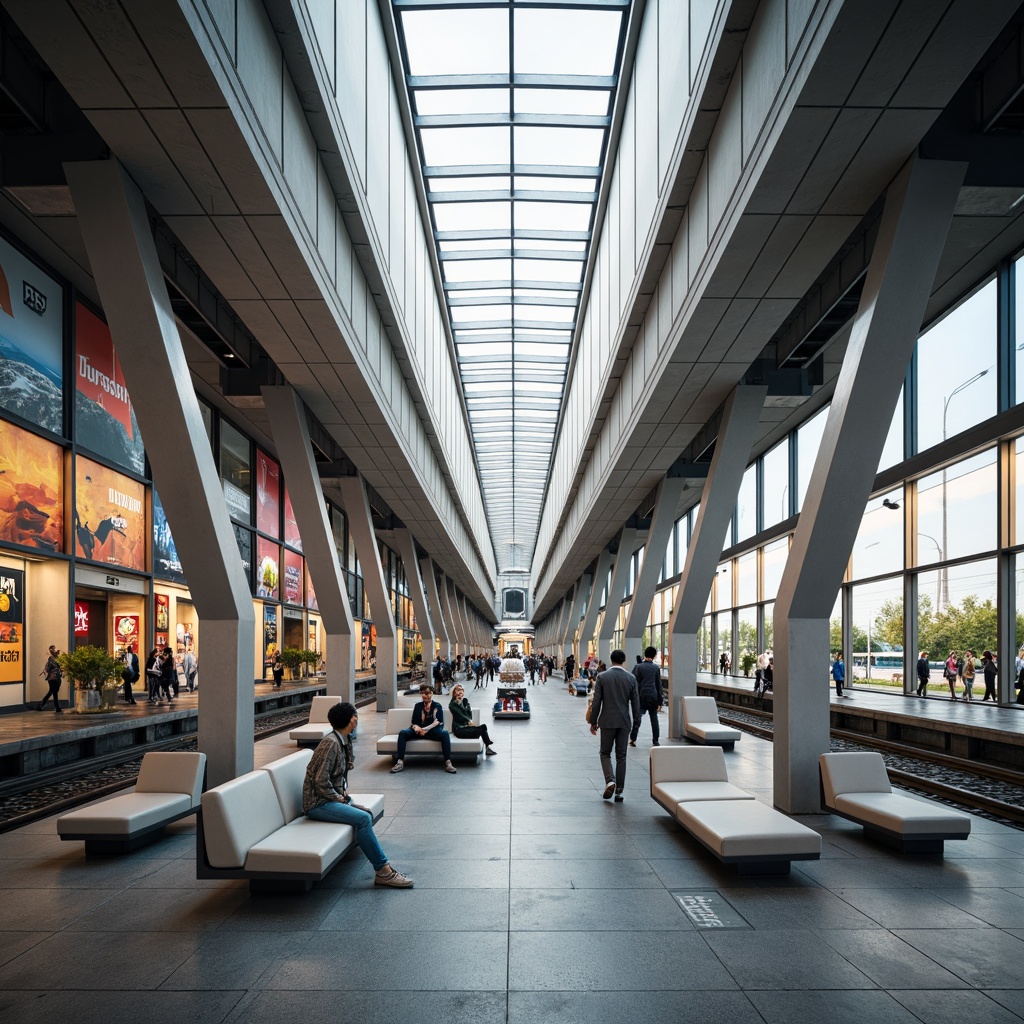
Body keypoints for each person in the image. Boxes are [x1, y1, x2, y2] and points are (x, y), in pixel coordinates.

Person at [303, 701, 413, 888]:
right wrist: (337, 798)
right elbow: (320, 781)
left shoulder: (340, 740)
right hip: (318, 803)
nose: (357, 720)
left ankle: (370, 851)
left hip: (328, 798)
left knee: (366, 814)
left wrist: (343, 797)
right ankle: (383, 871)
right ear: (350, 720)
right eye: (355, 717)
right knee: (362, 818)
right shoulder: (330, 744)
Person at [589, 649, 640, 802]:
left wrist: (593, 721)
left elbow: (596, 701)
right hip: (624, 721)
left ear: (611, 660)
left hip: (607, 721)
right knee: (621, 756)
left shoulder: (602, 677)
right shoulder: (631, 678)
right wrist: (636, 722)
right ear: (624, 660)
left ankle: (610, 780)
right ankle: (619, 791)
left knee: (605, 753)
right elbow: (636, 703)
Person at [390, 683, 457, 774]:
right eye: (424, 693)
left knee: (445, 734)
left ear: (432, 694)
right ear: (421, 694)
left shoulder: (437, 706)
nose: (427, 696)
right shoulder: (418, 706)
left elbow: (437, 721)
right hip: (418, 732)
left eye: (429, 693)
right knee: (403, 733)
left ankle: (448, 763)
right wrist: (416, 727)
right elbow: (413, 721)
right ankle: (400, 762)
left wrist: (424, 729)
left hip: (432, 732)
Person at [448, 683, 496, 755]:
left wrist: (463, 704)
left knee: (483, 726)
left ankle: (487, 746)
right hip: (459, 729)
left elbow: (470, 716)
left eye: (461, 690)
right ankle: (487, 745)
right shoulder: (452, 704)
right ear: (454, 692)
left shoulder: (465, 701)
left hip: (467, 727)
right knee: (481, 729)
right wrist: (459, 704)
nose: (460, 692)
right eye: (458, 690)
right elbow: (460, 715)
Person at [629, 646, 662, 748]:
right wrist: (660, 701)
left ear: (645, 654)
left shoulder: (638, 667)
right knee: (654, 718)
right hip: (653, 696)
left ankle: (633, 738)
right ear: (654, 655)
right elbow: (658, 685)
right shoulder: (656, 668)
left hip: (641, 696)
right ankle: (655, 740)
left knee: (637, 718)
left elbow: (633, 682)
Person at [37, 644, 63, 713]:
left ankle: (41, 705)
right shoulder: (50, 660)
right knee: (54, 692)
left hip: (57, 678)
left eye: (54, 649)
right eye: (52, 649)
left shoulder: (59, 659)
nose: (54, 651)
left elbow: (61, 668)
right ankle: (57, 707)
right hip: (52, 678)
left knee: (52, 691)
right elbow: (48, 669)